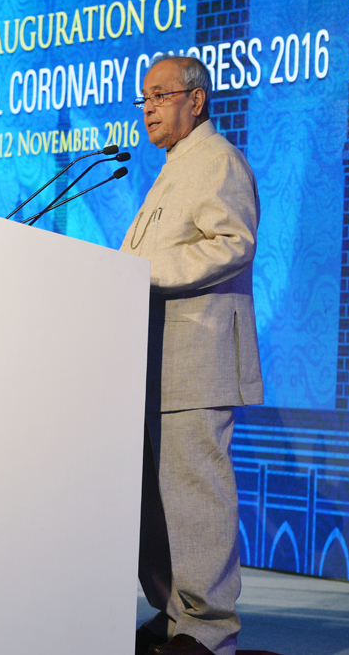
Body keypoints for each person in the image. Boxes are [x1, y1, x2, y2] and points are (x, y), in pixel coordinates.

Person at [121, 55, 263, 655]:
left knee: (195, 496)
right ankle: (175, 611)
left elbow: (234, 242)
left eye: (158, 95)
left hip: (197, 359)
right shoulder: (174, 167)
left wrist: (137, 272)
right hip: (155, 362)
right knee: (157, 499)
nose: (148, 107)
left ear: (195, 100)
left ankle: (207, 629)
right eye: (143, 98)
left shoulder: (217, 161)